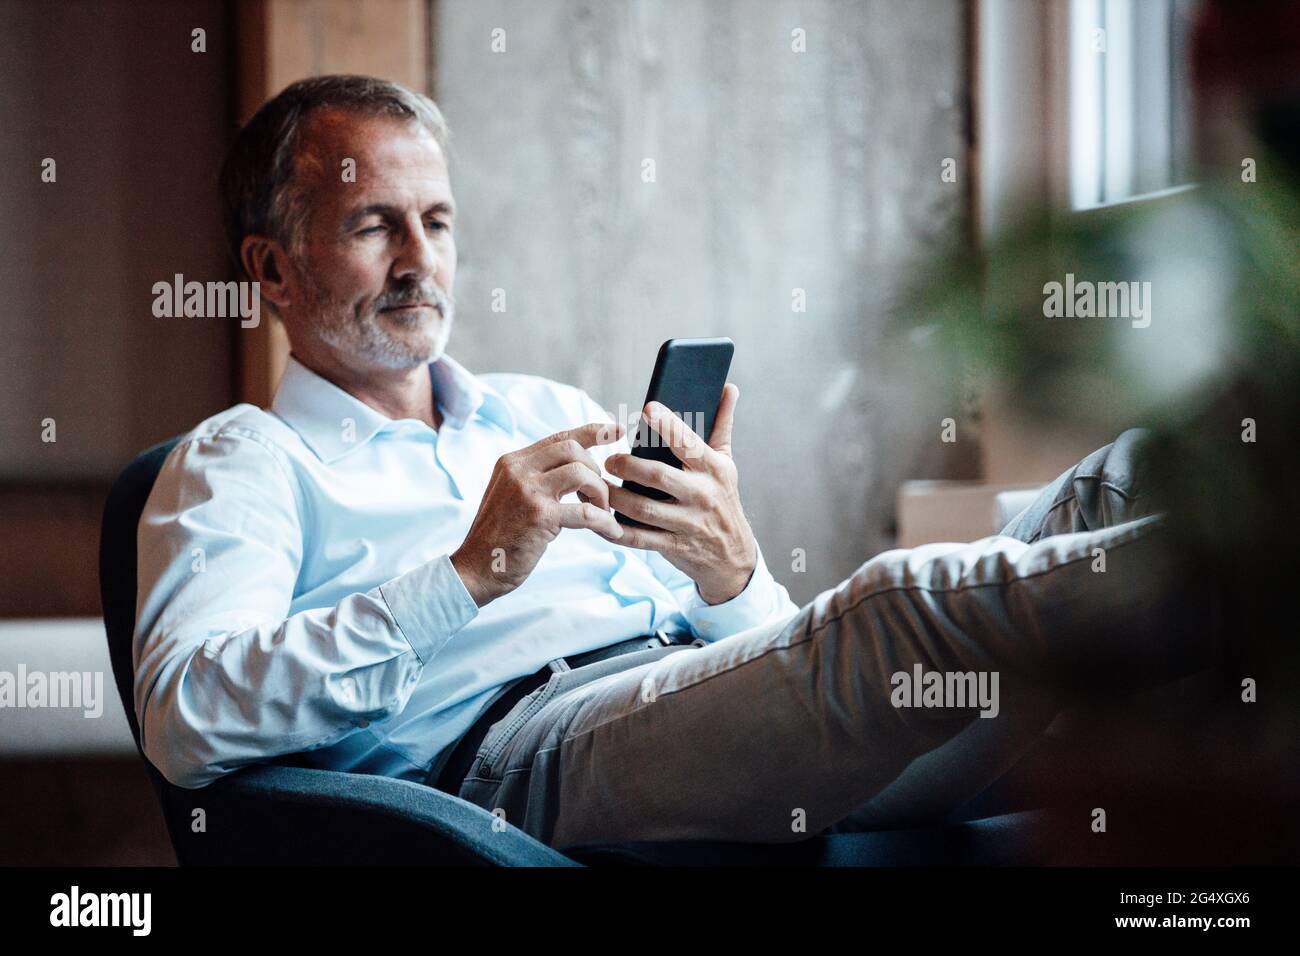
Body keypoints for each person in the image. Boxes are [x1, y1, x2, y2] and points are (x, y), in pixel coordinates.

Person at [133, 75, 1220, 850]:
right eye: (376, 224)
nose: (421, 260)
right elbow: (184, 720)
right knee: (903, 611)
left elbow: (769, 663)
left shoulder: (538, 408)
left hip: (706, 721)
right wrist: (464, 575)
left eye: (437, 221)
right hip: (526, 755)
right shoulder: (241, 460)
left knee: (1109, 483)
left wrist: (729, 570)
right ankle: (1238, 571)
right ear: (270, 267)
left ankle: (1224, 543)